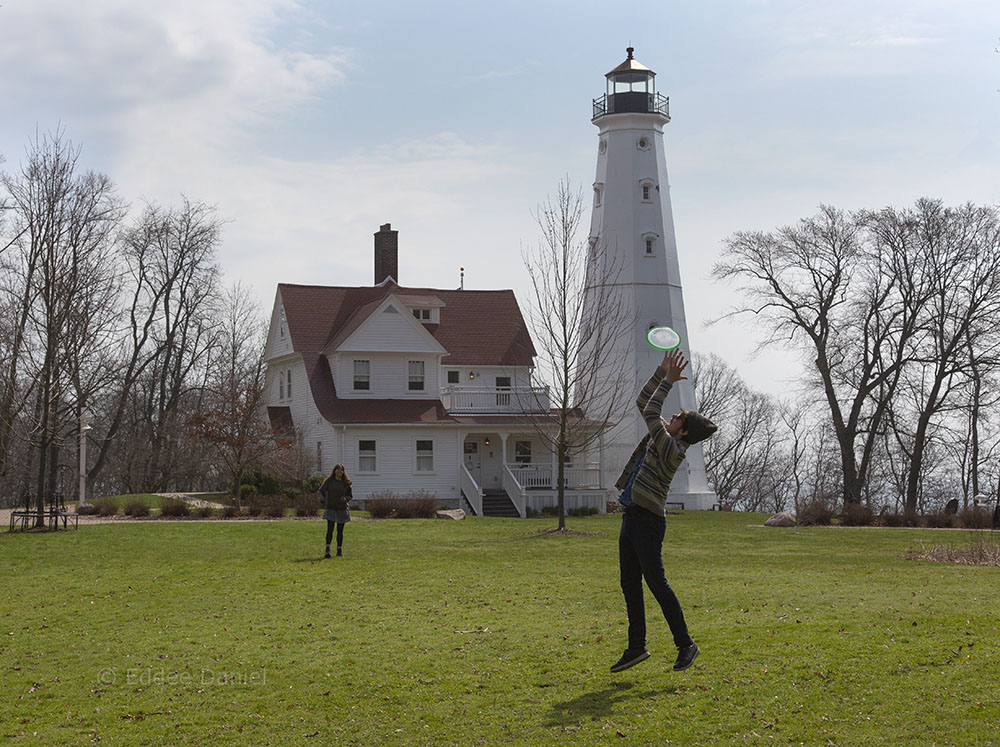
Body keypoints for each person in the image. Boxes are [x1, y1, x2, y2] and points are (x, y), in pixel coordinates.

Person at [611, 347, 718, 674]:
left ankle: (686, 644)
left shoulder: (670, 447)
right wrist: (661, 372)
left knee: (656, 583)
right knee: (630, 584)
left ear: (683, 431)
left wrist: (669, 382)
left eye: (679, 418)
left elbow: (652, 409)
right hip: (632, 516)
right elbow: (645, 403)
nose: (672, 417)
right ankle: (636, 647)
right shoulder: (665, 436)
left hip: (648, 522)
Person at [318, 464, 352, 558]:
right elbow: (320, 492)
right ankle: (327, 550)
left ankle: (339, 550)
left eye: (341, 470)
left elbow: (350, 496)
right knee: (330, 529)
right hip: (331, 508)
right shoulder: (329, 481)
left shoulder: (346, 483)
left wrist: (345, 499)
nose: (339, 472)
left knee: (340, 531)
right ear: (334, 471)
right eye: (337, 470)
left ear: (343, 472)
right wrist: (324, 500)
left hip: (342, 509)